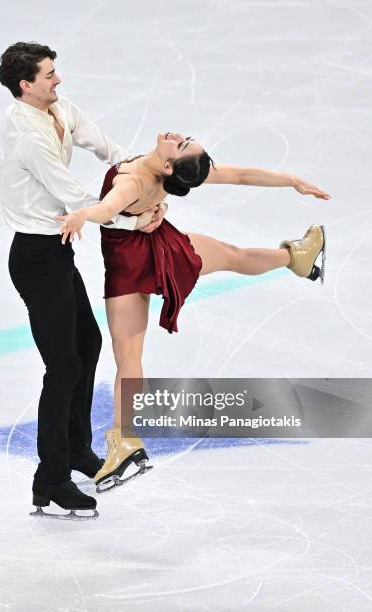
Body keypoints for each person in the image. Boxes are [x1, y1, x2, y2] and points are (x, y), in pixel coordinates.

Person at [57, 131, 331, 493]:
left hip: (127, 266)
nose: (179, 136)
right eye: (187, 140)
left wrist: (81, 215)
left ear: (169, 165)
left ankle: (126, 440)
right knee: (233, 255)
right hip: (162, 249)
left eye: (182, 144)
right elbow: (240, 175)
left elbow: (107, 211)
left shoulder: (133, 180)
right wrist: (291, 181)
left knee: (128, 357)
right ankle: (296, 257)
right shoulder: (164, 173)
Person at [0, 41, 167, 520]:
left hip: (58, 249)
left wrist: (140, 172)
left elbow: (103, 144)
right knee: (63, 367)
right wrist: (138, 221)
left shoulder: (59, 109)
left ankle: (76, 450)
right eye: (49, 75)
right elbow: (76, 198)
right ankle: (49, 480)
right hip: (35, 257)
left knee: (87, 344)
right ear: (25, 85)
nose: (58, 80)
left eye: (56, 71)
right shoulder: (28, 136)